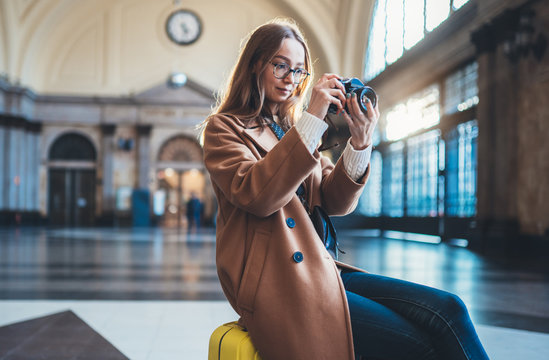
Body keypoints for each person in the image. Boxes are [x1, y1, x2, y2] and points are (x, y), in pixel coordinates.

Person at [202, 18, 489, 360]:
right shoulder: (225, 129)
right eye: (280, 65)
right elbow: (258, 195)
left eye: (298, 71)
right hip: (278, 284)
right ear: (254, 66)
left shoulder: (292, 130)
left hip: (323, 270)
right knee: (420, 344)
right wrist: (313, 117)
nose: (290, 79)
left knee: (449, 310)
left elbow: (335, 200)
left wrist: (361, 142)